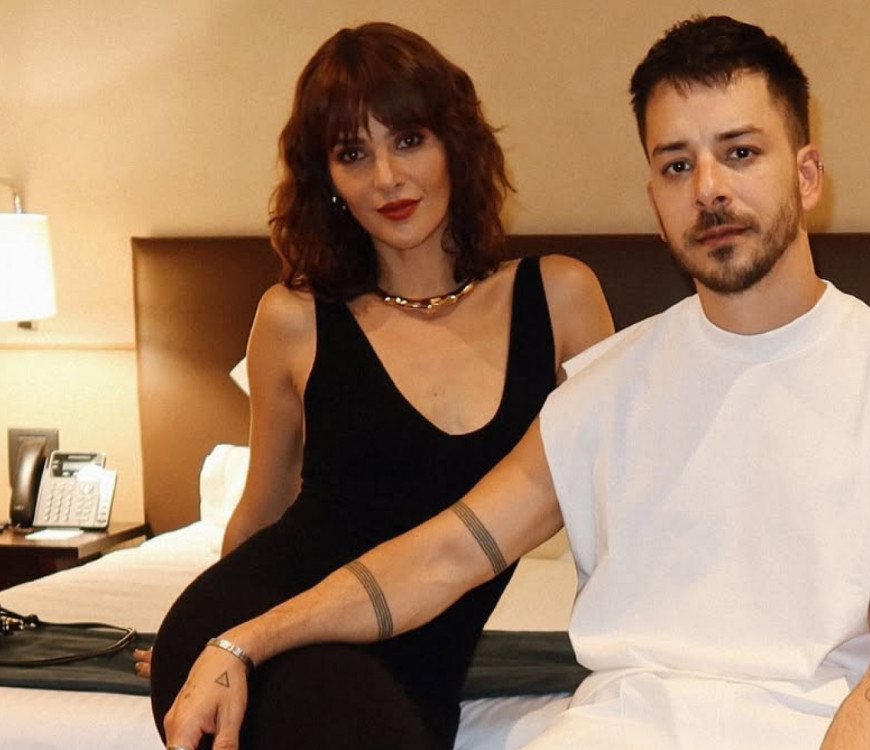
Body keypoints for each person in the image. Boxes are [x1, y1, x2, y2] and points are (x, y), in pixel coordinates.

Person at [163, 15, 870, 750]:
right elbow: (441, 556)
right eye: (677, 165)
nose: (708, 189)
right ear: (655, 200)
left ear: (806, 175)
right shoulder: (603, 390)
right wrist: (242, 640)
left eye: (740, 152)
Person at [147, 21, 613, 750]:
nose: (387, 178)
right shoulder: (295, 319)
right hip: (268, 619)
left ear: (455, 144)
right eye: (352, 154)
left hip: (420, 662)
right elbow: (263, 510)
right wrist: (217, 641)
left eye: (409, 139)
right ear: (326, 180)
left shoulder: (560, 299)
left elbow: (617, 500)